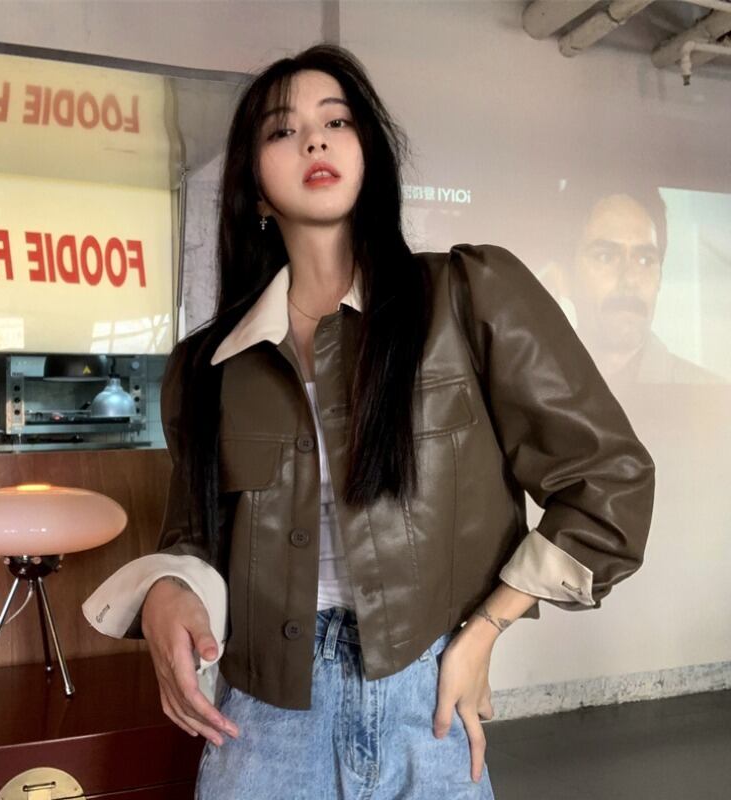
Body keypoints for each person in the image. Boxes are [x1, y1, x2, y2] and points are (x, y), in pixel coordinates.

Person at [83, 45, 655, 799]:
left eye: (336, 121)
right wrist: (166, 591)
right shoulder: (209, 366)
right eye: (282, 131)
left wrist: (484, 630)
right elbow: (193, 537)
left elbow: (609, 483)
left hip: (430, 700)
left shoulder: (467, 297)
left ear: (369, 155)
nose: (313, 141)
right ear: (254, 188)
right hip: (264, 722)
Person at [539, 179, 722, 386]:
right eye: (605, 257)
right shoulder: (528, 387)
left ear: (660, 277)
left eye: (645, 260)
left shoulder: (710, 391)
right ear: (563, 277)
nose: (630, 279)